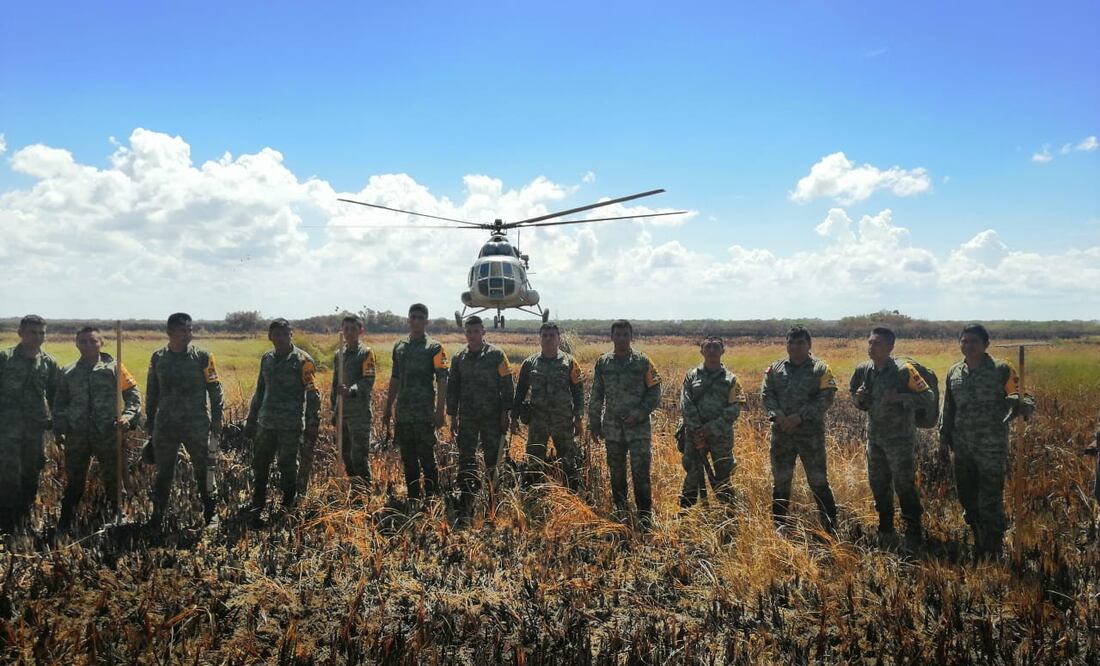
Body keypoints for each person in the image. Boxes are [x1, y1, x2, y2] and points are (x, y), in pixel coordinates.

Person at [939, 323, 1034, 560]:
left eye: (974, 341)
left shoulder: (1001, 369)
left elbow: (1024, 396)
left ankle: (993, 545)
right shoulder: (954, 372)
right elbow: (948, 407)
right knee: (967, 496)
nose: (968, 346)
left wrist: (1019, 403)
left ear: (986, 345)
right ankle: (978, 535)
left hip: (991, 446)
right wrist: (943, 438)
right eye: (964, 341)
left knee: (989, 497)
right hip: (962, 447)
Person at [849, 326, 936, 553]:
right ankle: (885, 529)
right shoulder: (864, 370)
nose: (871, 347)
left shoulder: (903, 370)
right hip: (875, 439)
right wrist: (859, 399)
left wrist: (902, 398)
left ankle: (913, 533)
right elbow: (855, 398)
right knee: (879, 484)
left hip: (900, 440)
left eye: (877, 343)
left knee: (904, 485)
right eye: (869, 342)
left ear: (890, 347)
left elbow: (928, 397)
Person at [52, 326, 142, 530]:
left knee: (113, 478)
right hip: (77, 435)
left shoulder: (115, 368)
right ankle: (65, 521)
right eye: (83, 341)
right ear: (76, 344)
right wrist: (60, 430)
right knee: (75, 480)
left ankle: (119, 518)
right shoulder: (68, 371)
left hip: (107, 433)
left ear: (102, 343)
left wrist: (128, 417)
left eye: (93, 341)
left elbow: (133, 395)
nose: (88, 345)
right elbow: (59, 403)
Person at [146, 313, 224, 527]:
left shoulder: (202, 356)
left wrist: (217, 418)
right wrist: (150, 421)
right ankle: (158, 515)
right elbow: (152, 391)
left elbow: (215, 389)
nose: (188, 334)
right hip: (166, 426)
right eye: (183, 330)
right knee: (163, 472)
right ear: (169, 332)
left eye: (190, 330)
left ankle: (211, 513)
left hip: (196, 424)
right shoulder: (158, 358)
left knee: (204, 470)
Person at [761, 325, 839, 533]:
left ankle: (830, 528)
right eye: (791, 343)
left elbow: (827, 396)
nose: (795, 347)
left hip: (810, 437)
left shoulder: (820, 369)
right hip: (782, 436)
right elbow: (767, 394)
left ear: (809, 345)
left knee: (819, 482)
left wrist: (800, 416)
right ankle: (779, 526)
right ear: (786, 344)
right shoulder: (775, 368)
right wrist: (778, 415)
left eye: (800, 343)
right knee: (781, 482)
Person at [244, 319, 321, 522]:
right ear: (270, 336)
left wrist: (313, 422)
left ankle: (288, 507)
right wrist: (251, 419)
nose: (281, 338)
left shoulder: (303, 361)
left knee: (287, 467)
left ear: (291, 335)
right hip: (266, 423)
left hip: (290, 425)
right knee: (260, 465)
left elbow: (313, 394)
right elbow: (260, 391)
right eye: (276, 334)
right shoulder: (266, 359)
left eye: (285, 334)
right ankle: (257, 504)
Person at [588, 320, 661, 529]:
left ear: (631, 336)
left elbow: (655, 390)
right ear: (612, 337)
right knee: (616, 472)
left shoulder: (643, 362)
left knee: (641, 473)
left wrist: (639, 413)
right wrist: (594, 424)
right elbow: (596, 394)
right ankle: (622, 515)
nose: (621, 338)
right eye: (618, 334)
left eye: (625, 334)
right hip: (612, 429)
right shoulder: (603, 363)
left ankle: (645, 518)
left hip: (638, 429)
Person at [446, 316, 514, 526]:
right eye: (469, 332)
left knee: (492, 460)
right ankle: (466, 500)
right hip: (467, 418)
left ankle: (494, 503)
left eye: (476, 331)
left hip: (491, 418)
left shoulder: (496, 355)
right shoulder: (459, 358)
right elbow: (453, 388)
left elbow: (507, 384)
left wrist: (505, 412)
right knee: (466, 458)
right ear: (465, 334)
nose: (473, 335)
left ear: (483, 332)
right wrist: (452, 415)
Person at [0, 315, 61, 534]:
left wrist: (59, 426)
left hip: (35, 430)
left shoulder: (49, 362)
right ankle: (5, 522)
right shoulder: (5, 358)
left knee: (30, 475)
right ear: (20, 333)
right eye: (32, 332)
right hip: (6, 429)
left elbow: (56, 397)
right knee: (7, 475)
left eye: (41, 333)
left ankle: (22, 522)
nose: (37, 337)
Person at [382, 304, 449, 500]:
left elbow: (442, 379)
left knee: (427, 458)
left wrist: (440, 411)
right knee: (408, 459)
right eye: (414, 317)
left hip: (424, 414)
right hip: (403, 413)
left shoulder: (435, 348)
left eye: (421, 318)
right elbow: (395, 378)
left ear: (427, 321)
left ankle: (431, 499)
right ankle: (413, 498)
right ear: (408, 320)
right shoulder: (400, 347)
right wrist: (388, 408)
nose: (417, 321)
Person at [512, 322, 585, 491]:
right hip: (538, 421)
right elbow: (520, 392)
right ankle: (534, 496)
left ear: (559, 339)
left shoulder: (570, 362)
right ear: (539, 339)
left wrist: (578, 417)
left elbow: (578, 393)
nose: (548, 339)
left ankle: (572, 496)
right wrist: (514, 417)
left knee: (568, 461)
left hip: (563, 421)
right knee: (534, 461)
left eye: (552, 335)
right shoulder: (529, 363)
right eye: (544, 335)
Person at [679, 336, 745, 510]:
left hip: (720, 437)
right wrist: (696, 430)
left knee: (723, 476)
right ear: (702, 351)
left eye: (716, 347)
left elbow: (734, 409)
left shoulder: (731, 380)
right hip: (694, 436)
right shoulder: (691, 376)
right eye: (708, 347)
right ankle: (686, 514)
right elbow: (685, 403)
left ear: (723, 351)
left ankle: (729, 514)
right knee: (692, 475)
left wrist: (710, 429)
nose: (712, 351)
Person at [331, 315, 376, 486]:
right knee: (346, 456)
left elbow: (368, 381)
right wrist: (334, 409)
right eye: (346, 329)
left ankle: (365, 495)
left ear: (360, 331)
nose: (349, 332)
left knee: (359, 457)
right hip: (342, 413)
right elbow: (335, 385)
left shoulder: (366, 353)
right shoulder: (339, 355)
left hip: (359, 415)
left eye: (353, 329)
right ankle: (356, 493)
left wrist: (351, 391)